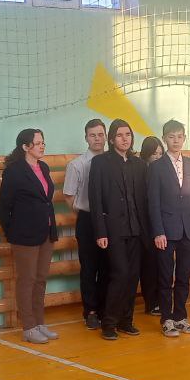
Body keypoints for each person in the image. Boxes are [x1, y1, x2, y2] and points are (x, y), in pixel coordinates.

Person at [0, 128, 60, 344]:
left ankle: (40, 323)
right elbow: (2, 207)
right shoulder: (14, 171)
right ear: (25, 147)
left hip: (46, 231)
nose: (42, 146)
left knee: (41, 279)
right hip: (24, 235)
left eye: (43, 142)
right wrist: (12, 232)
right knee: (27, 280)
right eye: (38, 143)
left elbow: (45, 199)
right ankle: (29, 327)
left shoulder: (44, 167)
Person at [89, 119, 148, 340]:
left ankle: (126, 320)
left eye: (128, 134)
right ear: (112, 139)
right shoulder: (100, 163)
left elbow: (143, 200)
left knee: (132, 276)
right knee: (120, 274)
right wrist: (100, 232)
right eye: (120, 135)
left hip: (136, 229)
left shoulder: (139, 164)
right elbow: (95, 200)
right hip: (113, 230)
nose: (125, 139)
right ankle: (109, 322)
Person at [148, 119, 190, 337]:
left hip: (188, 229)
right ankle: (166, 319)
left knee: (183, 275)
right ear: (164, 139)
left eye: (180, 136)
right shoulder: (156, 167)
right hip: (166, 231)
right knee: (165, 277)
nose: (176, 141)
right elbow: (153, 202)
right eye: (171, 137)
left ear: (184, 138)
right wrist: (158, 231)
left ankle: (181, 317)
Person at [61, 118, 109, 329]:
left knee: (108, 267)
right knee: (89, 268)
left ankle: (104, 309)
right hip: (88, 220)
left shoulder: (112, 161)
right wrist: (86, 213)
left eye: (100, 134)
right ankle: (90, 311)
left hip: (110, 220)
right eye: (92, 135)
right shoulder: (77, 165)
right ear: (86, 138)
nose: (97, 139)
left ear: (106, 137)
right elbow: (69, 196)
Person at [137, 135, 165, 317]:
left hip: (161, 224)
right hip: (144, 226)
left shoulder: (163, 171)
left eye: (160, 153)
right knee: (148, 265)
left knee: (161, 265)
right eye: (154, 154)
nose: (157, 157)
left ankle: (161, 300)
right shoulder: (141, 172)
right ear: (146, 154)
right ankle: (151, 302)